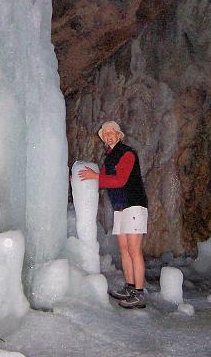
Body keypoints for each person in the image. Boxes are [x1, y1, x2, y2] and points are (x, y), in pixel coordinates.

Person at [79, 121, 148, 309]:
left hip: (134, 205)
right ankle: (130, 287)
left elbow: (119, 180)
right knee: (124, 250)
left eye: (112, 132)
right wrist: (76, 177)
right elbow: (99, 178)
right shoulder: (109, 157)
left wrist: (95, 177)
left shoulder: (127, 153)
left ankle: (139, 294)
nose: (109, 136)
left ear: (119, 134)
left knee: (134, 250)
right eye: (106, 133)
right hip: (120, 207)